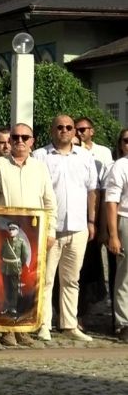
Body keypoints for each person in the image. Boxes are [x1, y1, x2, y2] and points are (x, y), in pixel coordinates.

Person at [0, 123, 58, 346]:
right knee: (7, 282)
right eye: (15, 137)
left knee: (29, 281)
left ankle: (24, 327)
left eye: (25, 137)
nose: (20, 141)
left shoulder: (40, 168)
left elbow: (50, 203)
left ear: (32, 141)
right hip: (6, 234)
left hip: (34, 235)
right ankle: (7, 328)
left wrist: (51, 232)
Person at [32, 115, 98, 342]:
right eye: (60, 127)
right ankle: (43, 324)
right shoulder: (40, 156)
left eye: (69, 127)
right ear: (52, 130)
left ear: (74, 131)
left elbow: (92, 191)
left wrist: (91, 221)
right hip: (51, 228)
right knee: (46, 279)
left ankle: (69, 324)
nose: (65, 130)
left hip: (78, 226)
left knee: (71, 280)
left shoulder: (85, 156)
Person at [75, 116, 113, 318]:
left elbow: (105, 186)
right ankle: (80, 306)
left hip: (97, 210)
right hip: (78, 210)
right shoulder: (73, 150)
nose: (79, 132)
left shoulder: (103, 152)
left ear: (92, 131)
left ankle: (94, 299)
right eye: (76, 129)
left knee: (93, 259)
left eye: (83, 129)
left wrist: (101, 222)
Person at [105, 127, 128, 342]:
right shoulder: (120, 166)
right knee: (125, 276)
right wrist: (113, 234)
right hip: (126, 219)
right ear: (121, 145)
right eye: (126, 140)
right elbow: (111, 202)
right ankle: (123, 323)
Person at [0, 222, 30, 316]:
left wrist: (19, 265)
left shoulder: (21, 242)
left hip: (14, 268)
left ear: (17, 231)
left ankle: (12, 307)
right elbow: (1, 254)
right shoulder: (5, 241)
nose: (11, 231)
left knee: (13, 289)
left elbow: (24, 256)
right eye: (10, 229)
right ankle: (6, 307)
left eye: (13, 229)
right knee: (6, 288)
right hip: (5, 268)